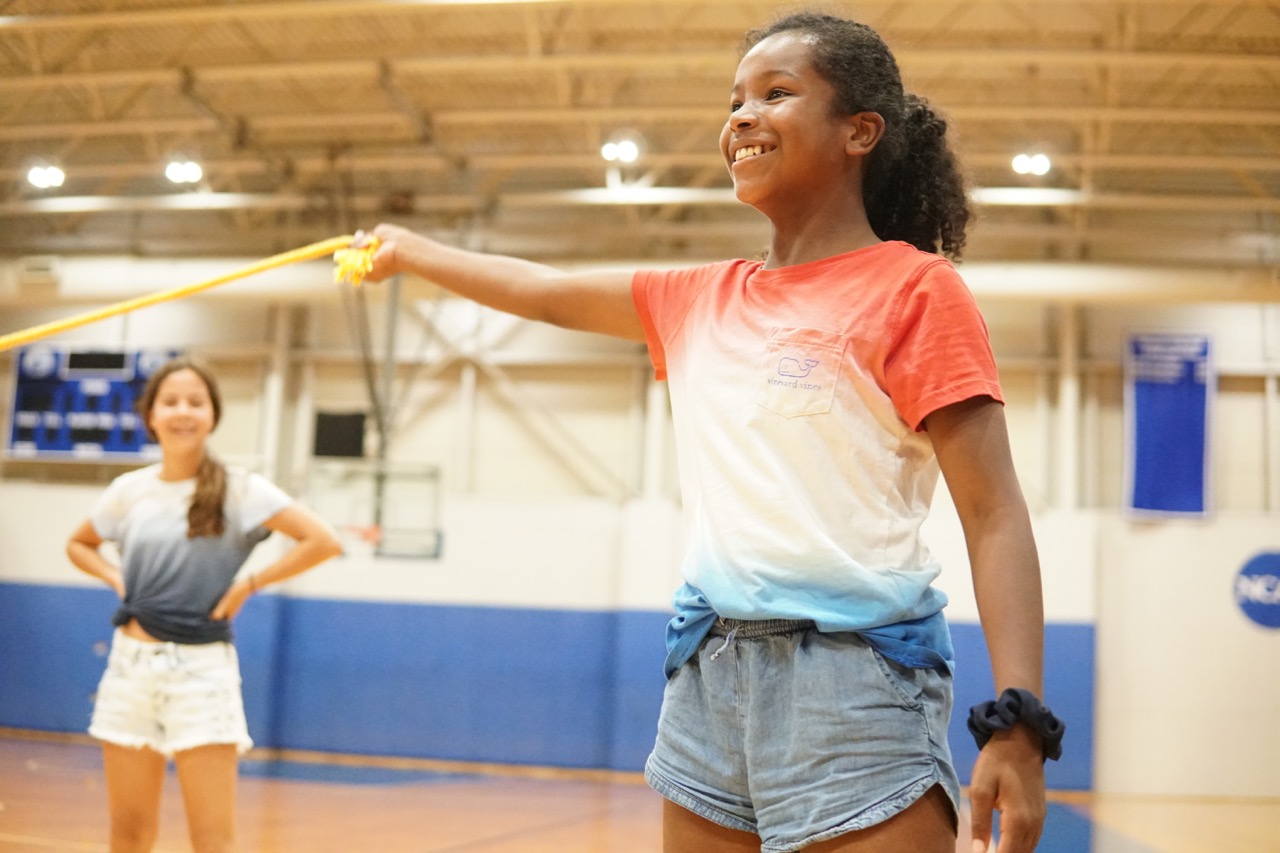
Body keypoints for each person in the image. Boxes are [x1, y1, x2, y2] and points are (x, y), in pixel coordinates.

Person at [352, 10, 1061, 853]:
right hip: (704, 676)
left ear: (859, 132)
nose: (741, 117)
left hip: (858, 683)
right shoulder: (694, 298)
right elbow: (540, 288)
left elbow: (996, 514)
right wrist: (409, 251)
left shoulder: (916, 290)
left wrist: (1019, 722)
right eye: (734, 101)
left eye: (777, 93)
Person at [66, 356, 343, 853]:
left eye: (196, 401)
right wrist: (116, 578)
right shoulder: (129, 490)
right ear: (151, 415)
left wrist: (247, 585)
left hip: (201, 674)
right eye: (170, 401)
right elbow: (79, 544)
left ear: (212, 415)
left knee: (212, 840)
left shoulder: (242, 489)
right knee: (127, 835)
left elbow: (322, 540)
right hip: (129, 671)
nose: (183, 411)